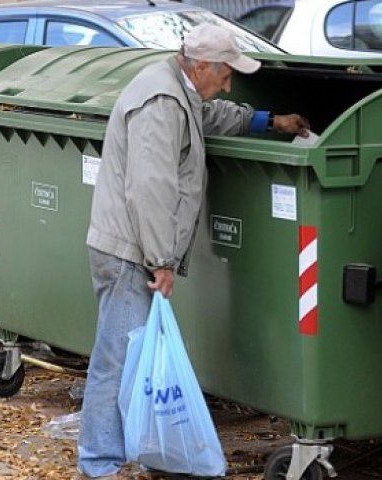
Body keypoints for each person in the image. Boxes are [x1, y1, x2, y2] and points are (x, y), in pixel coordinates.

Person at [78, 23, 310, 479]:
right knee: (118, 359)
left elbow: (210, 116)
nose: (228, 83)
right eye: (225, 74)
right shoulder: (161, 102)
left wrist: (268, 122)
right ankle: (99, 465)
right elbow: (150, 187)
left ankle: (116, 454)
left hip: (131, 247)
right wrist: (161, 260)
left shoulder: (177, 89)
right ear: (201, 65)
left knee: (125, 356)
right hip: (132, 252)